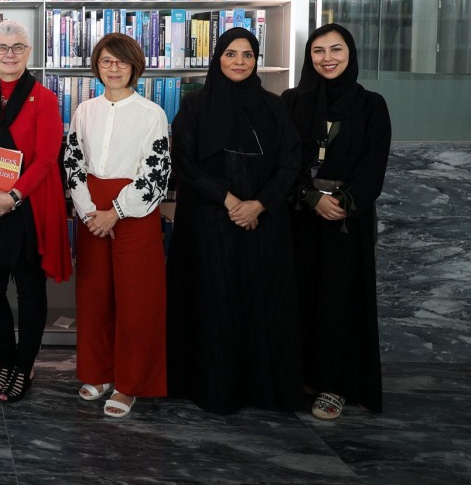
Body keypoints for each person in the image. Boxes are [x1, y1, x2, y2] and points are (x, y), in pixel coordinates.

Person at [166, 26, 303, 415]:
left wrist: (258, 204)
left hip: (262, 223)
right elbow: (184, 162)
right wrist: (229, 200)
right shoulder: (195, 105)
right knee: (214, 304)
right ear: (218, 58)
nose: (239, 62)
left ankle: (259, 390)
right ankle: (214, 389)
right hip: (208, 223)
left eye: (248, 55)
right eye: (231, 54)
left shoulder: (275, 106)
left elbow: (291, 161)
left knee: (258, 303)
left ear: (256, 61)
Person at [283, 24, 391, 421]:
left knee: (338, 301)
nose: (327, 58)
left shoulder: (371, 105)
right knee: (298, 297)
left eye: (336, 49)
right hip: (299, 216)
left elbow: (374, 165)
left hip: (347, 220)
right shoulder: (292, 101)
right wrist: (311, 197)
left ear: (350, 53)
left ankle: (333, 385)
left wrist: (341, 203)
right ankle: (298, 378)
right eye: (318, 51)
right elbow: (283, 159)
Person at [0, 20, 71, 403]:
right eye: (2, 47)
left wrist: (12, 196)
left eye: (18, 47)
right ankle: (6, 362)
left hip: (26, 208)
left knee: (29, 291)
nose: (9, 54)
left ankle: (24, 367)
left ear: (29, 52)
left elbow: (46, 159)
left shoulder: (44, 98)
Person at [64, 33, 170, 418]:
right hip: (92, 212)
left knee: (137, 302)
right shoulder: (84, 110)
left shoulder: (151, 113)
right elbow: (72, 162)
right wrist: (90, 211)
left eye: (121, 62)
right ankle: (99, 372)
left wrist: (117, 212)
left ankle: (129, 384)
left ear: (134, 67)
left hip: (135, 214)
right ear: (97, 66)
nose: (114, 68)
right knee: (94, 297)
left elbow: (156, 173)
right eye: (106, 61)